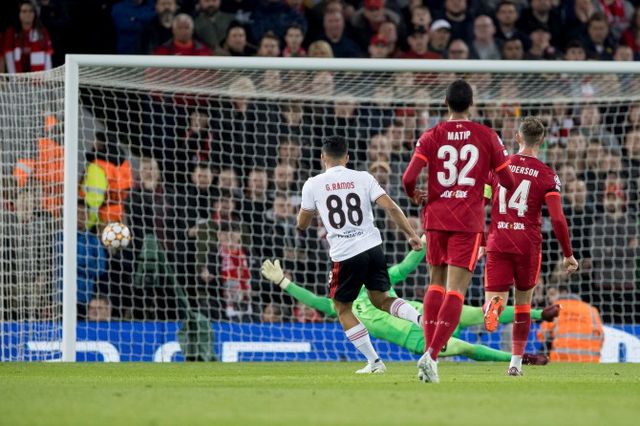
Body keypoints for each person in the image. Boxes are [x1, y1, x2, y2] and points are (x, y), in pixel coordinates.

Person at [261, 241, 555, 363]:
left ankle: (542, 313)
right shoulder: (343, 305)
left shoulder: (378, 282)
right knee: (464, 347)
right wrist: (283, 282)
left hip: (426, 312)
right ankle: (521, 358)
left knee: (480, 313)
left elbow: (406, 266)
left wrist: (426, 242)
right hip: (416, 339)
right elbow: (313, 299)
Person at [402, 79, 515, 383]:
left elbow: (408, 178)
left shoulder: (432, 135)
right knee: (456, 291)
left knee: (435, 285)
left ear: (445, 102)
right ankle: (433, 356)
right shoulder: (487, 136)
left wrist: (416, 196)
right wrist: (486, 179)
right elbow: (509, 184)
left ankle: (428, 352)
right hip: (468, 220)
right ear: (472, 103)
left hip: (436, 217)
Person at [297, 135, 423, 374]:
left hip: (346, 254)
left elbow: (302, 223)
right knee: (382, 299)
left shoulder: (313, 184)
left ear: (323, 157)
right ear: (347, 157)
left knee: (342, 307)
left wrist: (308, 214)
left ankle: (375, 362)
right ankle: (420, 321)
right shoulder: (363, 177)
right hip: (373, 248)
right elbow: (391, 207)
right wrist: (412, 234)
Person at [482, 117, 579, 376]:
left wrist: (480, 241)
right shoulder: (548, 175)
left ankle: (493, 307)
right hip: (527, 245)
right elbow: (557, 218)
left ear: (517, 138)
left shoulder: (496, 168)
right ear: (543, 141)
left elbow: (481, 206)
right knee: (524, 304)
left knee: (495, 300)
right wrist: (568, 255)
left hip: (498, 240)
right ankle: (514, 364)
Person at [537, 285, 603, 363]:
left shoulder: (555, 308)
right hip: (591, 360)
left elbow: (541, 335)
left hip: (560, 359)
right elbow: (601, 336)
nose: (549, 299)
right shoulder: (591, 310)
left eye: (552, 294)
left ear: (563, 293)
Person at [3, 0, 54, 73]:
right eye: (24, 11)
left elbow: (47, 56)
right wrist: (13, 80)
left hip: (38, 78)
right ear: (19, 14)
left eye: (31, 11)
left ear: (35, 14)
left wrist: (47, 78)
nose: (28, 14)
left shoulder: (42, 31)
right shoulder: (11, 32)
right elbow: (9, 57)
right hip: (17, 79)